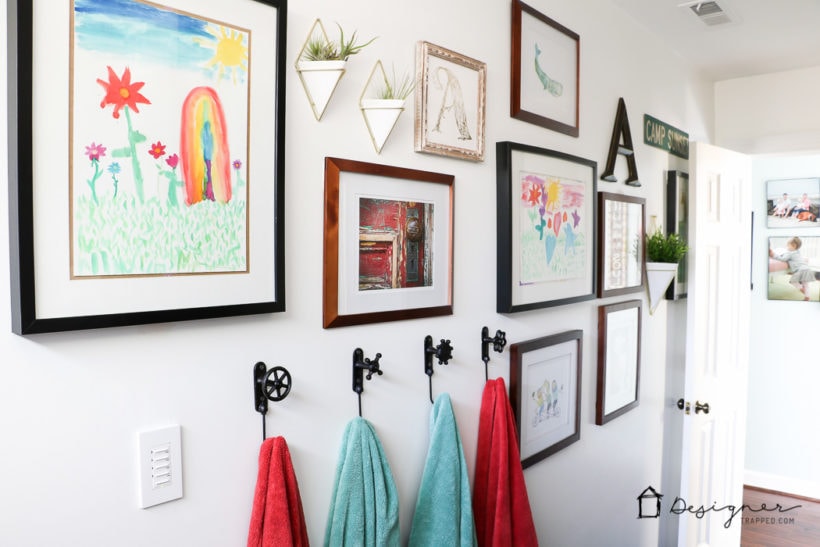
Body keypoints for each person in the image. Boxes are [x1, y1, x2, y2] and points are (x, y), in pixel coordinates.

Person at [769, 236, 815, 300]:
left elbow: (782, 259)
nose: (787, 247)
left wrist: (773, 254)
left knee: (793, 282)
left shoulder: (790, 253)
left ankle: (801, 288)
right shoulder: (797, 251)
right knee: (806, 284)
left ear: (794, 246)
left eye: (788, 245)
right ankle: (807, 296)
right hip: (807, 268)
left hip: (800, 270)